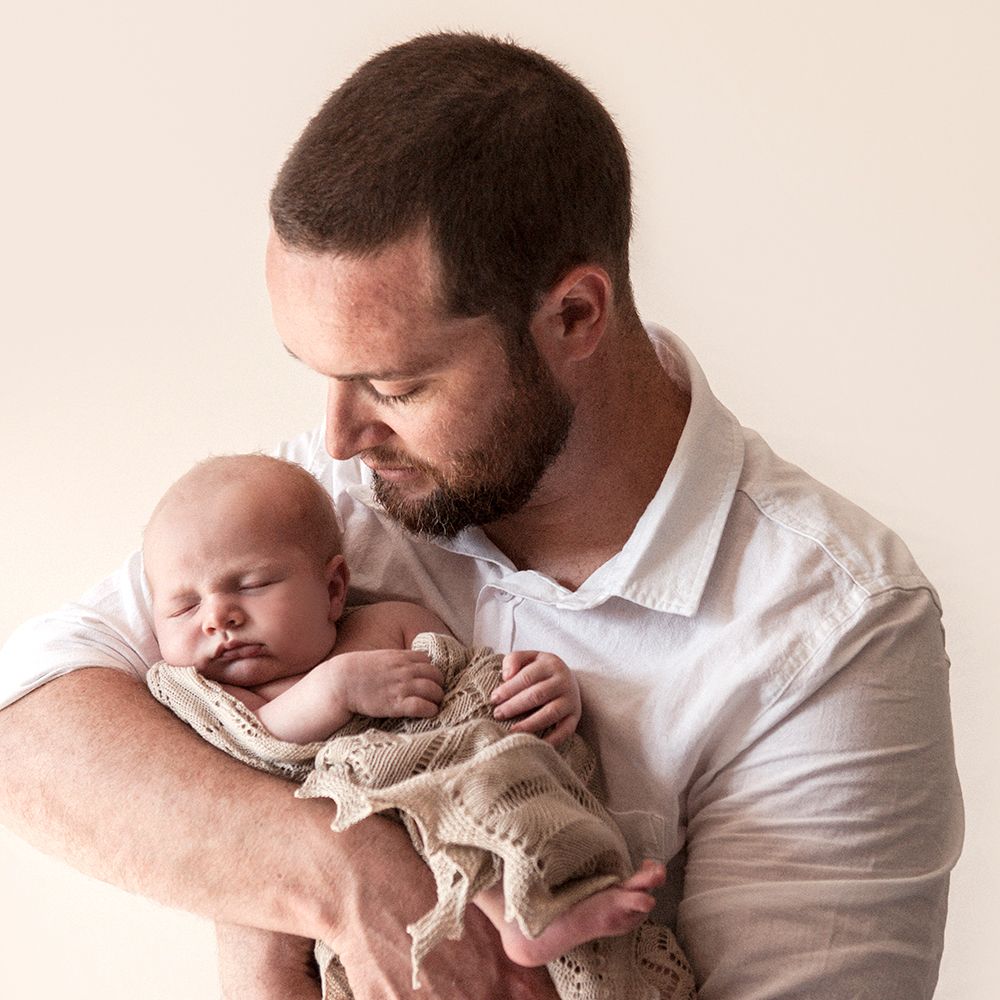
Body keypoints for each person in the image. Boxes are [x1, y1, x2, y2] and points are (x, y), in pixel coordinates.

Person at [0, 31, 962, 1000]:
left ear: (575, 315)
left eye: (396, 382)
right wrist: (351, 883)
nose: (336, 437)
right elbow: (27, 727)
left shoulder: (832, 619)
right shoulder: (307, 509)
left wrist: (240, 881)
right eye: (321, 374)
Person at [141, 451, 675, 990]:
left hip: (459, 779)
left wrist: (543, 682)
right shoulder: (211, 691)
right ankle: (523, 916)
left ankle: (551, 900)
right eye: (184, 608)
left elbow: (472, 697)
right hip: (365, 842)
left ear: (332, 590)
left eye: (252, 585)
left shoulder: (389, 623)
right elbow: (254, 742)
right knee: (433, 792)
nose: (217, 618)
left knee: (495, 771)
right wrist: (334, 688)